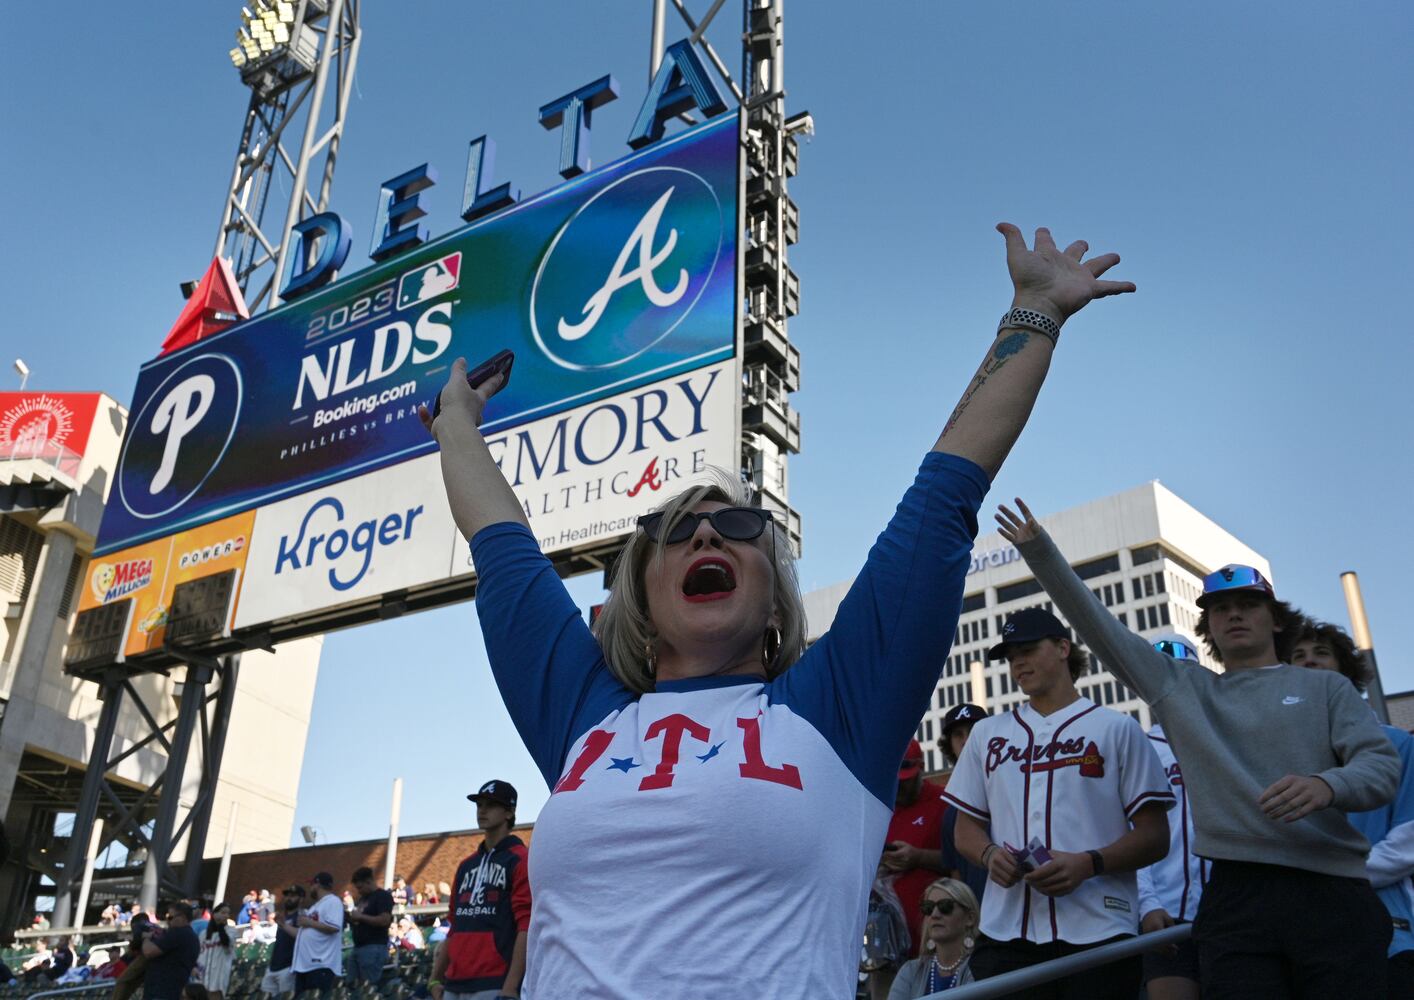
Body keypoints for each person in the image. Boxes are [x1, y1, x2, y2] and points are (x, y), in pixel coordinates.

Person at [421, 222, 1135, 997]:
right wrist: (456, 422)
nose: (703, 531)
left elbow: (942, 500)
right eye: (672, 530)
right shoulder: (578, 712)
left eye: (736, 526)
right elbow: (501, 546)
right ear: (640, 597)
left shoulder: (839, 706)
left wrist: (1032, 315)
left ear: (775, 602)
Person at [995, 500, 1400, 998]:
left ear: (1275, 619)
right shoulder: (1182, 688)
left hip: (1331, 889)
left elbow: (1381, 769)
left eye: (1248, 605)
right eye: (1220, 610)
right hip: (1235, 894)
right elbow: (1100, 626)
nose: (1234, 616)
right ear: (1206, 628)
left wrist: (1326, 784)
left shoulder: (1325, 689)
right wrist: (1039, 550)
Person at [943, 606, 1172, 998]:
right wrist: (988, 854)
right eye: (1011, 655)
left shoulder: (1116, 728)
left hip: (1099, 926)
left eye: (1028, 649)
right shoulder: (987, 734)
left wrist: (1089, 862)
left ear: (1063, 648)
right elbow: (965, 828)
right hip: (1006, 933)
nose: (1018, 662)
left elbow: (1155, 836)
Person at [1292, 617, 1414, 997]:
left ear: (1346, 669)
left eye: (1321, 653)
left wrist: (1340, 873)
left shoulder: (1397, 744)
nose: (1309, 661)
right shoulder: (1279, 751)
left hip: (1391, 926)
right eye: (1297, 656)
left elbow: (1410, 838)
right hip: (1304, 926)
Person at [1134, 632, 1208, 1000]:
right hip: (1167, 911)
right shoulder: (1139, 746)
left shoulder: (1226, 738)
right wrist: (1148, 904)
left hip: (1232, 910)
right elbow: (1131, 833)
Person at [431, 780, 531, 1000]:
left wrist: (511, 987)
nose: (482, 810)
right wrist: (435, 979)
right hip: (453, 983)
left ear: (509, 812)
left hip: (495, 983)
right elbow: (454, 924)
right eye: (479, 805)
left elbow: (526, 926)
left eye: (491, 805)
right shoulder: (466, 865)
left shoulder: (521, 860)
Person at [870, 739, 948, 999]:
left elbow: (962, 861)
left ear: (921, 768)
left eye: (906, 778)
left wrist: (918, 857)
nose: (900, 785)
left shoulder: (942, 802)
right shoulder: (878, 807)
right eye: (896, 779)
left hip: (934, 940)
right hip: (885, 948)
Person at [887, 878, 980, 998]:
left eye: (945, 906)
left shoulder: (979, 968)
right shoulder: (910, 971)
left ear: (970, 918)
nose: (935, 915)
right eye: (928, 908)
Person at [938, 703, 990, 904]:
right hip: (979, 923)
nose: (966, 740)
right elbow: (956, 877)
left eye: (974, 731)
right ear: (949, 745)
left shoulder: (1016, 786)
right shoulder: (951, 811)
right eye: (958, 735)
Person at [292, 872, 344, 995]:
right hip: (306, 966)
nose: (310, 888)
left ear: (317, 885)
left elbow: (334, 927)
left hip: (321, 965)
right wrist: (283, 925)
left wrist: (308, 922)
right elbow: (303, 934)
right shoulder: (315, 906)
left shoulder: (333, 901)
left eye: (312, 884)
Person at [142, 901, 200, 1000]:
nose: (167, 920)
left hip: (161, 992)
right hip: (174, 991)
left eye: (170, 917)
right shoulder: (193, 937)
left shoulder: (178, 933)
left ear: (182, 917)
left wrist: (146, 938)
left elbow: (149, 952)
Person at [347, 866, 395, 986]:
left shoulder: (382, 896)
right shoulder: (363, 899)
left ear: (369, 882)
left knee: (368, 986)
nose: (359, 891)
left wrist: (361, 917)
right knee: (352, 985)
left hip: (374, 947)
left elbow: (384, 920)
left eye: (360, 887)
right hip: (359, 946)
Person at [260, 885, 304, 997]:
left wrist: (283, 925)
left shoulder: (302, 916)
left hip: (288, 967)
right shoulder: (282, 915)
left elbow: (302, 937)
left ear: (301, 899)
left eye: (293, 896)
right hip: (273, 966)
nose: (288, 898)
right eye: (287, 895)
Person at [200, 903, 234, 1000]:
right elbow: (198, 953)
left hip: (219, 972)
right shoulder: (204, 934)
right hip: (203, 972)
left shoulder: (230, 931)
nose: (226, 916)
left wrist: (219, 925)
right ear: (214, 914)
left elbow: (226, 942)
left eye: (228, 913)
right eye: (223, 912)